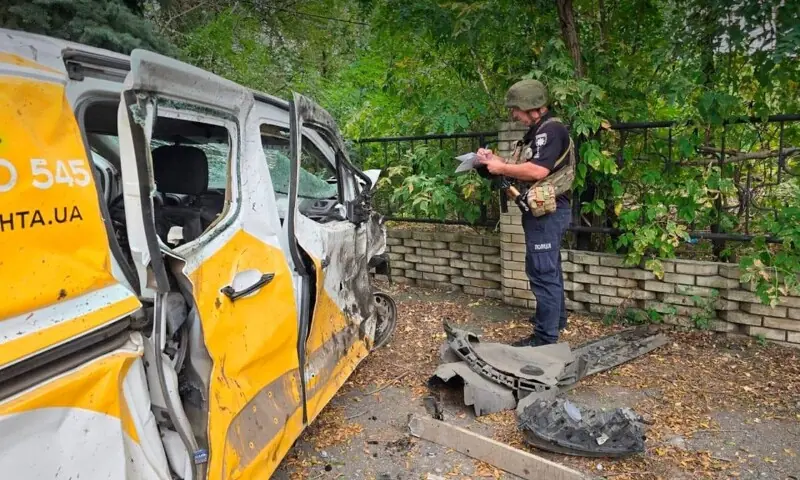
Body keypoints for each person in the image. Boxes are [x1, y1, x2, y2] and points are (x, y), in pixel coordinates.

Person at [476, 79, 573, 346]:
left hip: (549, 213)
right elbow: (521, 167)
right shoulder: (536, 132)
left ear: (533, 107)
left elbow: (537, 171)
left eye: (516, 109)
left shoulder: (551, 131)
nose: (513, 115)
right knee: (548, 269)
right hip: (542, 212)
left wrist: (502, 168)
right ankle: (556, 320)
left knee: (542, 272)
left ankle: (544, 339)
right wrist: (491, 162)